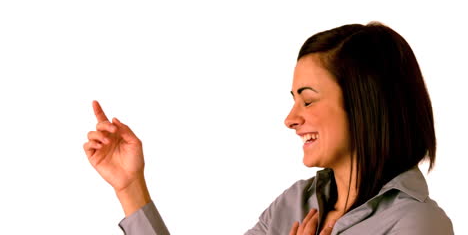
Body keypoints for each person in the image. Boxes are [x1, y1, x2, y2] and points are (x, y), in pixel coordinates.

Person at [83, 22, 454, 235]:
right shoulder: (295, 203)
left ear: (366, 105)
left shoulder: (417, 224)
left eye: (308, 100)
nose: (291, 118)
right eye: (293, 100)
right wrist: (131, 188)